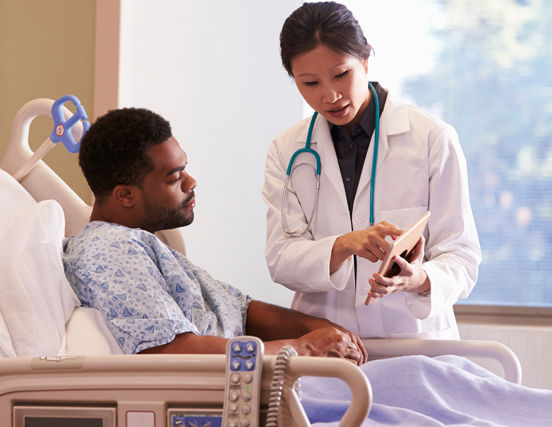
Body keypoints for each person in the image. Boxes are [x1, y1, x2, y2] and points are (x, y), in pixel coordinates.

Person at [62, 107, 366, 364]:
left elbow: (242, 311)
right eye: (175, 177)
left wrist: (325, 330)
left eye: (185, 169)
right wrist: (305, 348)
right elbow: (173, 352)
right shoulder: (110, 251)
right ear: (126, 195)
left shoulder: (144, 245)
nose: (191, 182)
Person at [262, 2, 482, 339]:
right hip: (327, 344)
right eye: (309, 83)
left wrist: (419, 280)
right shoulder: (287, 150)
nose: (330, 95)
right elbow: (280, 259)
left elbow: (461, 255)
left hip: (413, 344)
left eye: (340, 74)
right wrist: (344, 245)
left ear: (365, 60)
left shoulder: (432, 139)